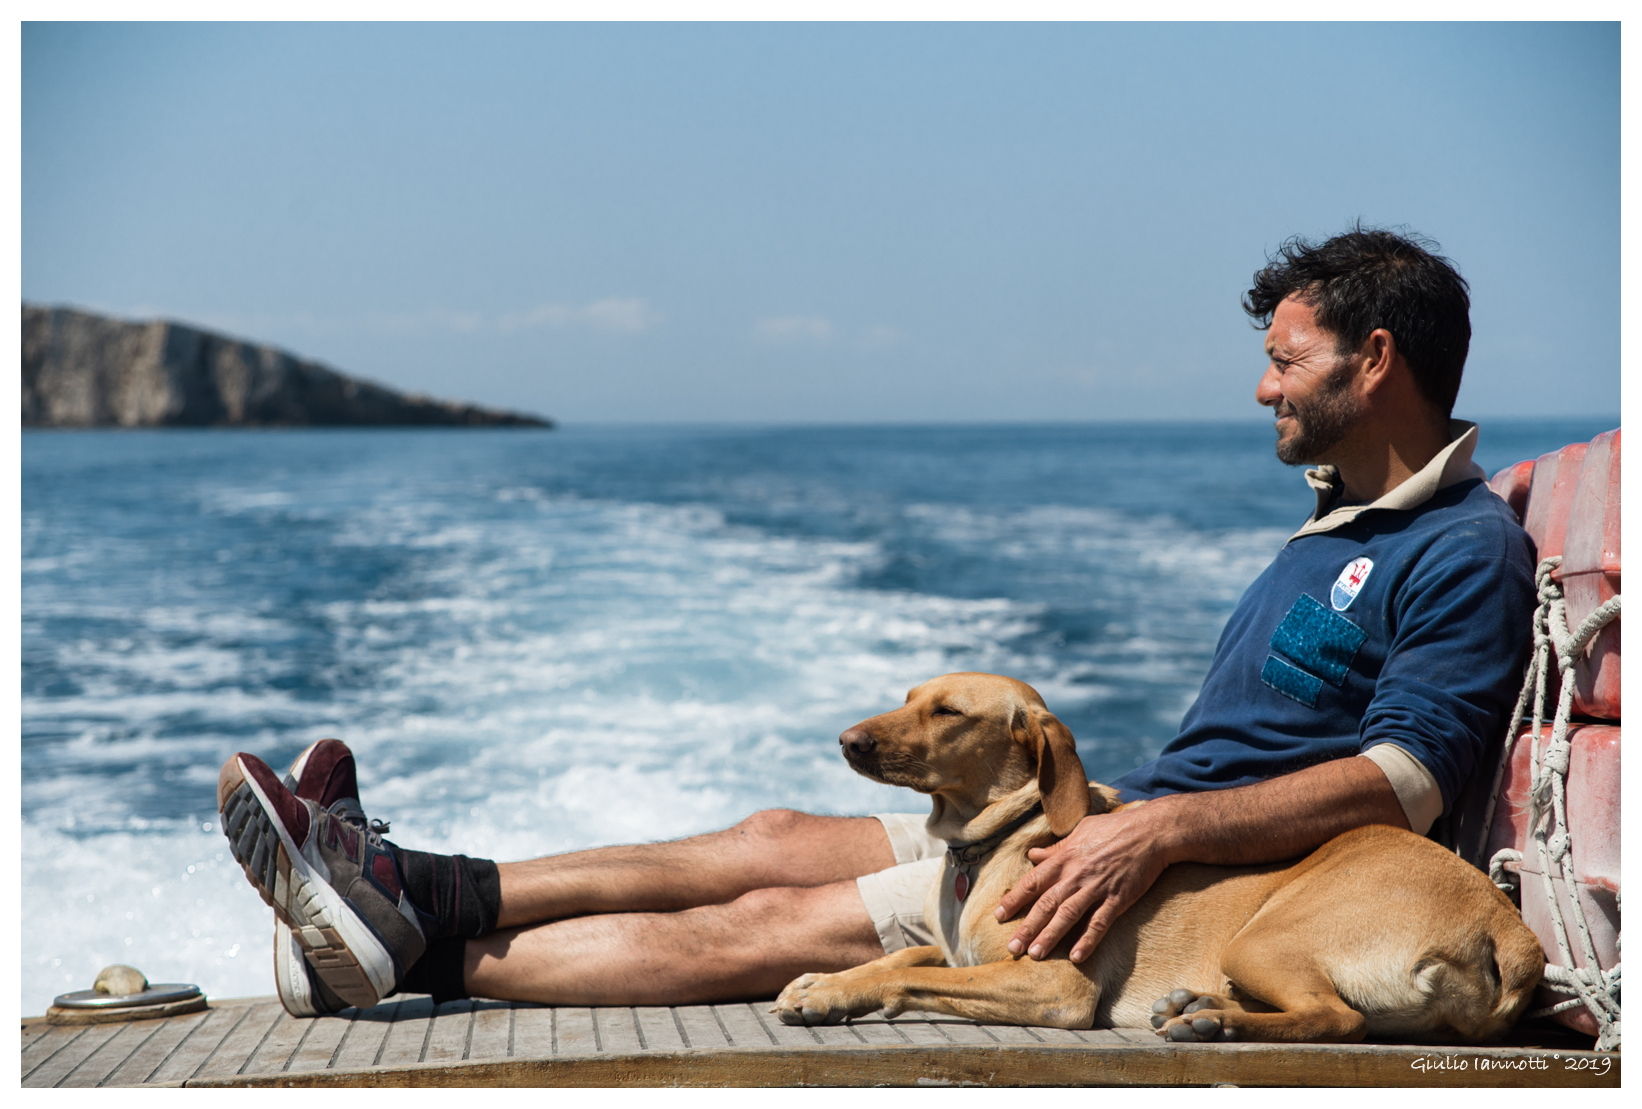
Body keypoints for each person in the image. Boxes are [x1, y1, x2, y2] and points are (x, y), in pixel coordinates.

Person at [218, 226, 1536, 1017]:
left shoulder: (1455, 546)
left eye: (1287, 360)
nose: (1259, 386)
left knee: (784, 921)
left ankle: (406, 958)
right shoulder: (1339, 524)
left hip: (1181, 872)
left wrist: (1153, 832)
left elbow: (1406, 783)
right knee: (770, 835)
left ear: (1375, 363)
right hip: (1129, 821)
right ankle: (410, 884)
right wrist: (1131, 811)